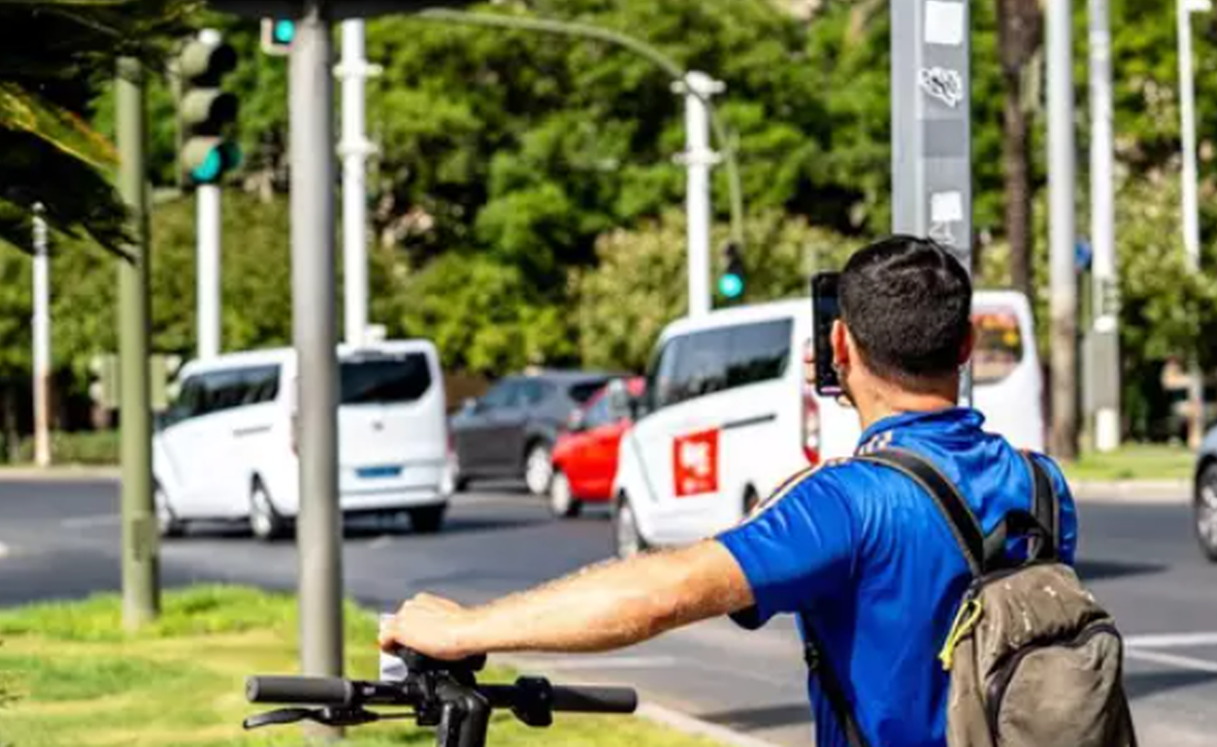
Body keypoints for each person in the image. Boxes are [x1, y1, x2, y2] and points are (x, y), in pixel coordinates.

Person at [380, 236, 1077, 747]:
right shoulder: (1043, 486)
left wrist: (465, 629)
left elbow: (664, 592)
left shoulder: (843, 503)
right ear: (963, 349)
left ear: (841, 348)